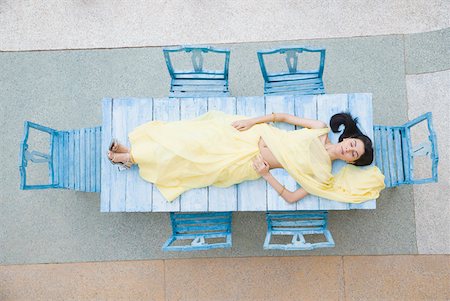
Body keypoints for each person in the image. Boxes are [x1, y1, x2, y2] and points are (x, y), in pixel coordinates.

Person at [107, 111, 385, 203]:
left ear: (350, 161)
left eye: (353, 153)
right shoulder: (320, 130)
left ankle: (130, 156)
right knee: (191, 137)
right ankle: (133, 154)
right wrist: (251, 122)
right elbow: (282, 117)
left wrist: (265, 174)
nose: (349, 148)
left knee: (194, 161)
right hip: (250, 136)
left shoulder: (324, 176)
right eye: (352, 143)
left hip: (247, 164)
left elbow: (290, 196)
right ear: (348, 137)